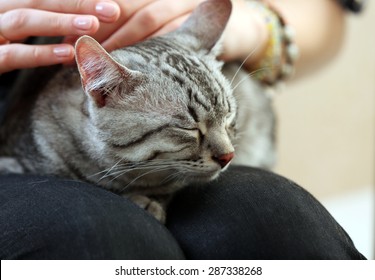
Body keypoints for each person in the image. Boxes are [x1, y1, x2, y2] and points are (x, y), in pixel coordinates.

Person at [0, 0, 366, 259]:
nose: (227, 152)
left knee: (273, 218)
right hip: (25, 115)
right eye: (187, 129)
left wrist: (254, 24)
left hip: (185, 48)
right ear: (103, 92)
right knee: (95, 237)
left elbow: (328, 11)